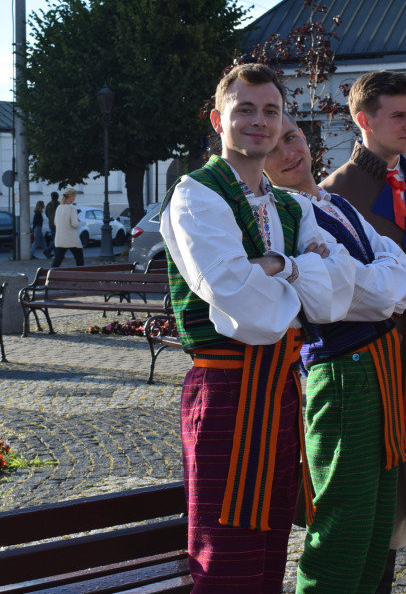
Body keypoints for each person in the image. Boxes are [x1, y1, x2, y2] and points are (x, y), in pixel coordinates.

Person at [161, 63, 363, 591]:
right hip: (226, 386)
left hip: (278, 391)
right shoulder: (196, 195)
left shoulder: (292, 207)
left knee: (271, 540)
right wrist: (296, 270)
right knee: (224, 546)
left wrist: (279, 266)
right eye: (245, 109)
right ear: (217, 119)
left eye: (270, 110)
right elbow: (243, 304)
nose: (260, 121)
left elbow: (335, 294)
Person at [264, 116, 406, 593]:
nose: (289, 152)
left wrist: (365, 278)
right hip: (342, 370)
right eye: (272, 148)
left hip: (382, 366)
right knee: (342, 526)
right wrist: (373, 281)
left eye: (290, 137)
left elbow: (402, 274)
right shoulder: (282, 215)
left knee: (375, 524)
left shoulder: (336, 203)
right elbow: (340, 296)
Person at [321, 70, 406, 590]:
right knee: (370, 459)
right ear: (364, 120)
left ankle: (385, 578)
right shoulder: (335, 192)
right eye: (398, 116)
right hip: (366, 347)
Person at [50, 188, 83, 268]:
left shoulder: (59, 208)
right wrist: (78, 221)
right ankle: (81, 276)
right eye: (74, 196)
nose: (74, 198)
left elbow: (55, 222)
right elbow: (74, 224)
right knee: (79, 259)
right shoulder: (72, 208)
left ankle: (50, 275)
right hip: (71, 238)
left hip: (60, 238)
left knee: (57, 261)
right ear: (71, 196)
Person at [44, 190, 60, 256]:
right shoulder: (59, 204)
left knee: (54, 238)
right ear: (57, 197)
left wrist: (51, 218)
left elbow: (46, 214)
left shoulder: (49, 204)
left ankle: (56, 253)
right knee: (56, 239)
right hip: (58, 224)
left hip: (51, 223)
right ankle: (48, 250)